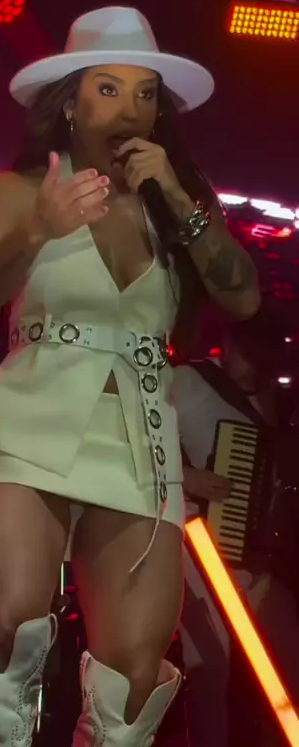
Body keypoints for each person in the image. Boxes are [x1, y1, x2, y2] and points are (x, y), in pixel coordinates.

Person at [0, 6, 261, 747]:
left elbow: (244, 296)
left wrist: (180, 200)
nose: (130, 110)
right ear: (71, 102)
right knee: (3, 648)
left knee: (132, 690)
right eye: (110, 89)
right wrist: (38, 230)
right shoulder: (17, 191)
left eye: (145, 94)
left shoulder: (174, 209)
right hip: (32, 424)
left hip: (138, 444)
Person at [174, 312, 299, 747]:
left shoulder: (267, 399)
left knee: (288, 664)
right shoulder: (186, 382)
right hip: (195, 547)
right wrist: (186, 477)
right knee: (210, 667)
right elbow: (133, 442)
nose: (253, 370)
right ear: (227, 345)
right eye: (249, 356)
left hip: (252, 557)